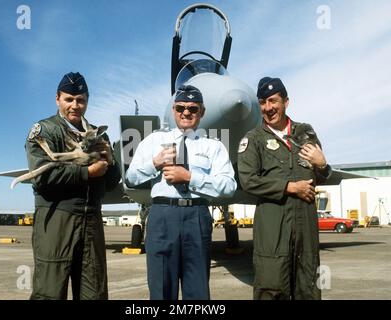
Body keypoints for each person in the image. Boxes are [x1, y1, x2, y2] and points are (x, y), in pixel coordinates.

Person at [126, 85, 237, 300]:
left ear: (202, 112)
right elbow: (131, 178)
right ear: (173, 110)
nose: (186, 113)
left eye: (193, 109)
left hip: (196, 217)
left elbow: (229, 186)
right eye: (181, 108)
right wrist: (154, 163)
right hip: (162, 215)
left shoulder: (213, 147)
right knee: (161, 291)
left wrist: (190, 178)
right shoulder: (152, 142)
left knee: (197, 292)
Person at [26, 72, 121, 300]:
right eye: (69, 99)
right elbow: (43, 177)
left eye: (81, 100)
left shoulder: (99, 134)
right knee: (50, 292)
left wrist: (110, 160)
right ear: (58, 98)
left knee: (94, 294)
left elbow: (111, 182)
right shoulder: (44, 131)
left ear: (87, 101)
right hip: (57, 219)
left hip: (92, 221)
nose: (75, 105)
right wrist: (86, 173)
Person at [237, 77, 331, 300]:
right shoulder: (253, 139)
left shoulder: (305, 133)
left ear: (286, 102)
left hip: (306, 225)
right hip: (273, 224)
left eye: (273, 101)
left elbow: (320, 177)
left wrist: (323, 165)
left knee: (309, 286)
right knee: (271, 285)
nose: (268, 108)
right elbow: (248, 180)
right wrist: (289, 187)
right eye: (262, 102)